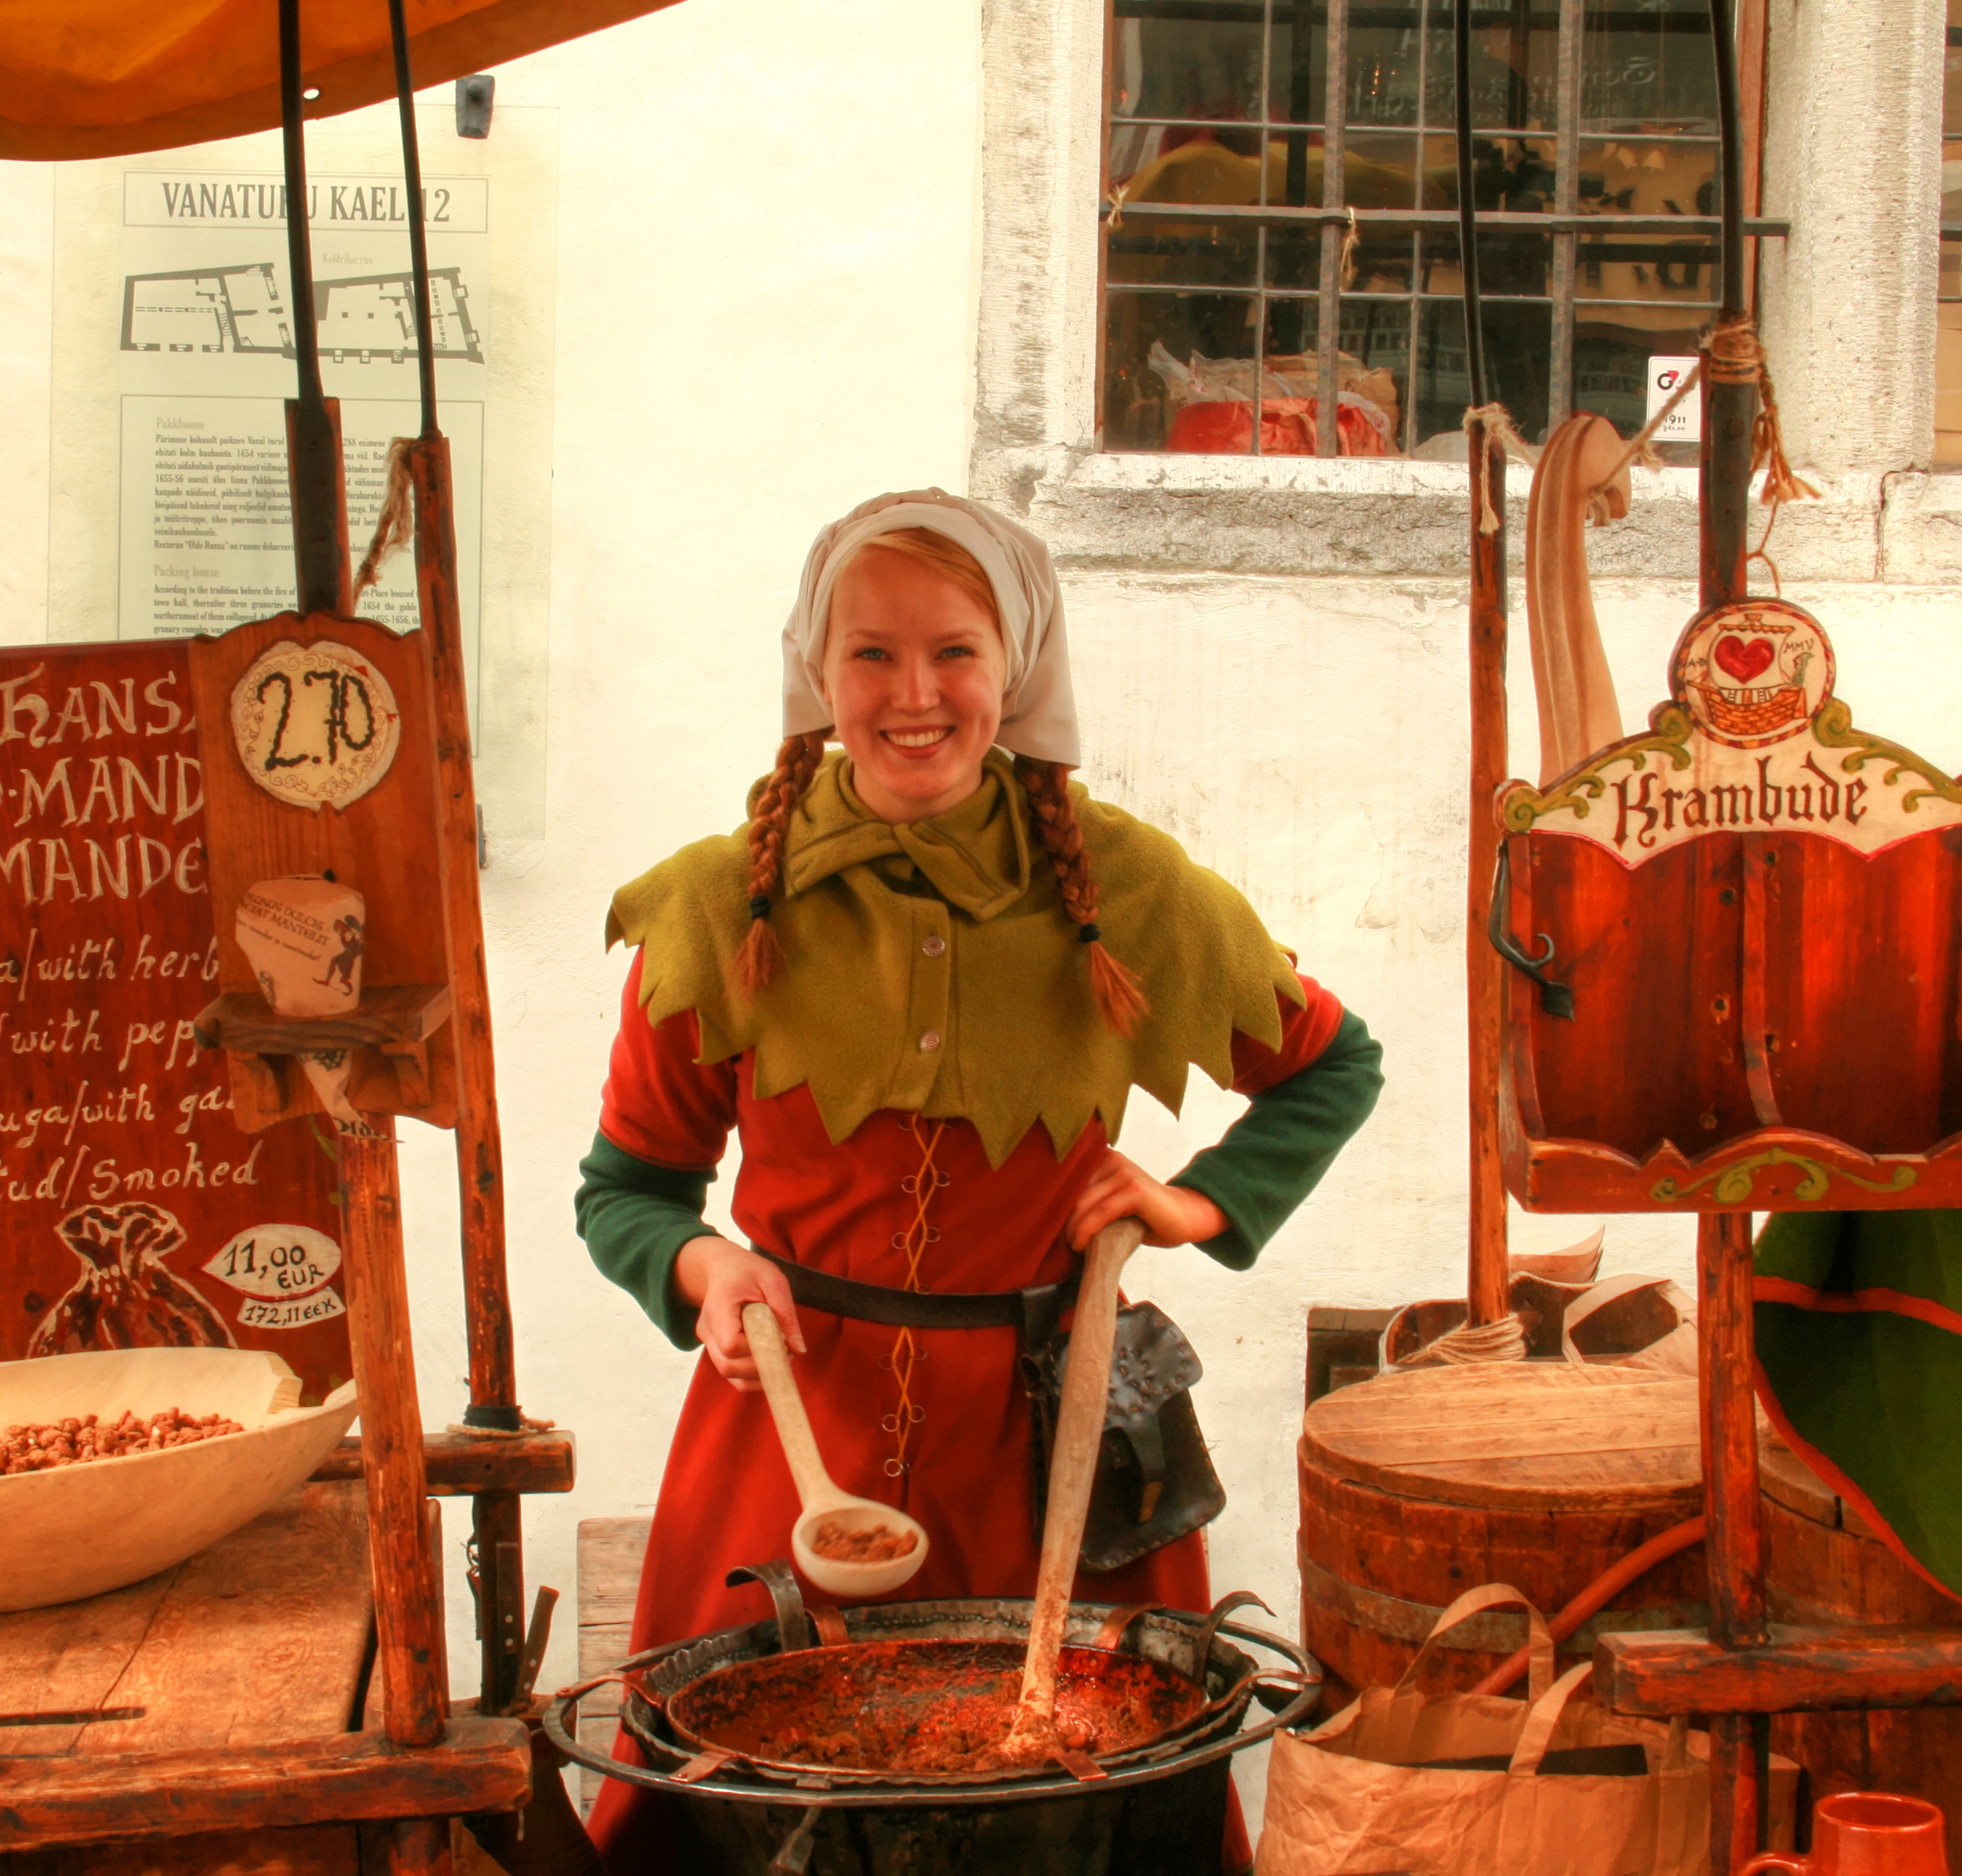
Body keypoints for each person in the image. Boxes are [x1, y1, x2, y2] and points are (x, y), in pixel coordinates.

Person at [576, 489, 1384, 1868]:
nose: (913, 693)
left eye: (954, 650)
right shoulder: (723, 912)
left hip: (1058, 1455)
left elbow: (1334, 1063)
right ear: (815, 671)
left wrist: (1191, 1204)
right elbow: (628, 1192)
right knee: (754, 1814)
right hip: (790, 1449)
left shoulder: (1125, 896)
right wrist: (708, 1271)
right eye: (870, 654)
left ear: (1018, 665)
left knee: (1077, 1808)